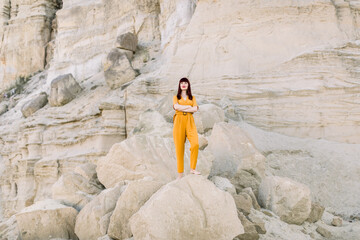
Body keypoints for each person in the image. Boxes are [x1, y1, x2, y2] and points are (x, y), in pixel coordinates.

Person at [172, 77, 201, 180]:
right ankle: (180, 174)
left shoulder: (192, 98)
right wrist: (189, 108)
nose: (183, 84)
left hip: (190, 121)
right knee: (179, 148)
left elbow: (196, 109)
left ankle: (192, 169)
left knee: (195, 144)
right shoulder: (176, 97)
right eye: (182, 83)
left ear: (188, 85)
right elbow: (176, 107)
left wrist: (182, 107)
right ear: (179, 85)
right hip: (178, 121)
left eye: (185, 83)